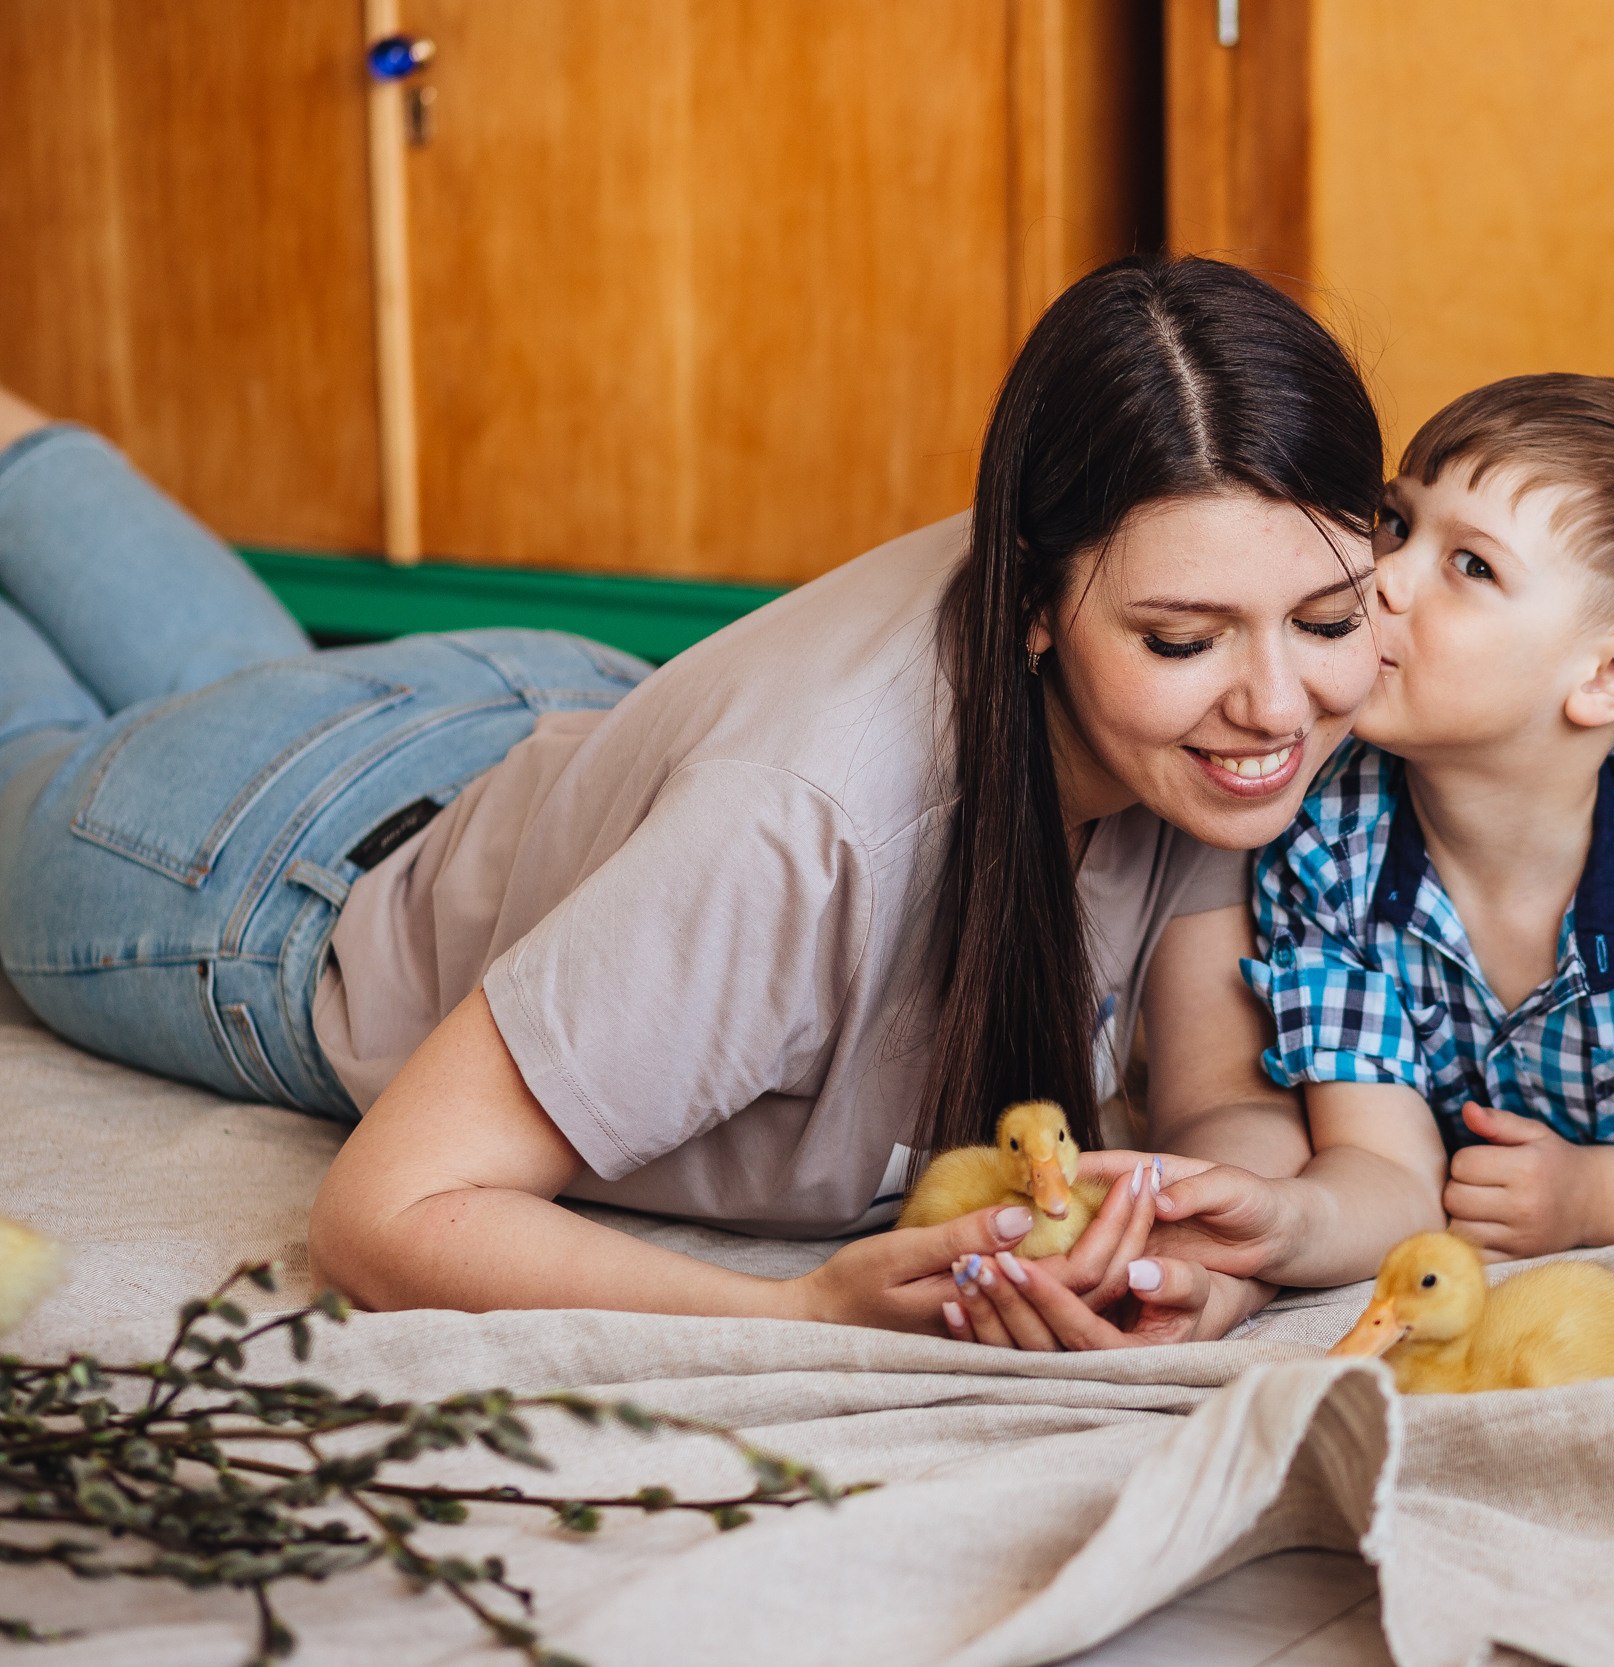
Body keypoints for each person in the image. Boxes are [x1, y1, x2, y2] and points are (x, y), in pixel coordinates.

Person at [0, 254, 1410, 1345]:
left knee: (236, 678)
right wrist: (806, 1312)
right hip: (256, 878)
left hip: (524, 715)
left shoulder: (1218, 705)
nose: (1277, 705)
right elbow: (387, 1212)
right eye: (1184, 641)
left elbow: (1218, 1086)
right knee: (41, 740)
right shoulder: (806, 830)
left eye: (1330, 619)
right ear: (1034, 599)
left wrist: (1207, 1248)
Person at [1051, 375, 1614, 1308]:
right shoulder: (1324, 838)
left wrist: (1598, 1194)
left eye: (1471, 566)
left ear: (1607, 674)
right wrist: (1276, 1216)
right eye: (1396, 522)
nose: (1379, 577)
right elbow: (1379, 1153)